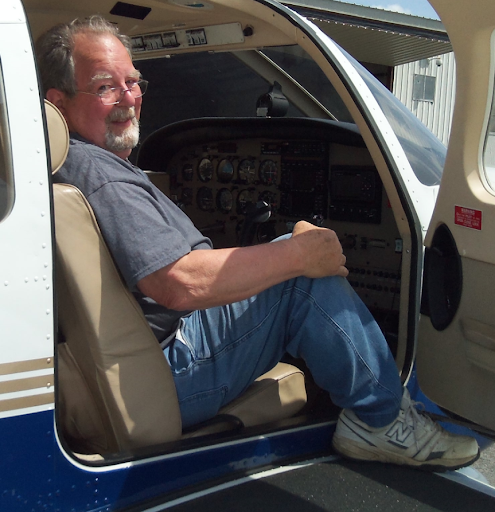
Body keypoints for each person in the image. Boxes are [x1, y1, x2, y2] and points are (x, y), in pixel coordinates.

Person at [36, 16, 479, 471]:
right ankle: (383, 421)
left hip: (128, 361)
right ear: (58, 102)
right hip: (171, 365)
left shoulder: (61, 168)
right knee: (301, 276)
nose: (129, 98)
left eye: (133, 82)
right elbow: (177, 283)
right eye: (105, 87)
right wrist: (296, 255)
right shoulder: (102, 176)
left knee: (288, 255)